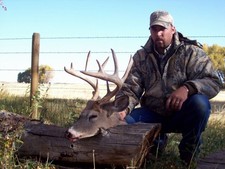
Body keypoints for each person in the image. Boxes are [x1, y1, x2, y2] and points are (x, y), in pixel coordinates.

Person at [116, 10, 222, 166]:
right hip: (152, 113)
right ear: (150, 31)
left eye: (162, 28)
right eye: (154, 29)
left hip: (181, 113)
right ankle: (154, 143)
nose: (158, 33)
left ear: (173, 29)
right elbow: (131, 88)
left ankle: (189, 152)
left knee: (200, 104)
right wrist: (122, 108)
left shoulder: (191, 52)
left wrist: (188, 88)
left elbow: (213, 81)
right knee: (123, 122)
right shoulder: (141, 56)